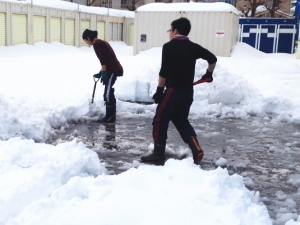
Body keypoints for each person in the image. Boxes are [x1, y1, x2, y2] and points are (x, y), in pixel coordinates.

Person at [141, 17, 217, 164]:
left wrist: (159, 90)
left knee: (160, 120)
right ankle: (196, 149)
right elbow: (212, 59)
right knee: (180, 120)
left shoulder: (169, 46)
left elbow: (164, 71)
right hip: (188, 92)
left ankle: (158, 153)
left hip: (172, 92)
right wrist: (208, 74)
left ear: (175, 30)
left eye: (170, 30)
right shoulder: (193, 47)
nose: (169, 33)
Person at [82, 29, 123, 123]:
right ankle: (111, 116)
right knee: (109, 93)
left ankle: (110, 117)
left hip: (113, 70)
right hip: (113, 69)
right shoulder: (101, 42)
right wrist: (101, 72)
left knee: (107, 94)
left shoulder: (96, 44)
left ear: (88, 38)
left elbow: (103, 60)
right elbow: (107, 59)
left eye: (85, 40)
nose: (87, 43)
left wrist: (104, 73)